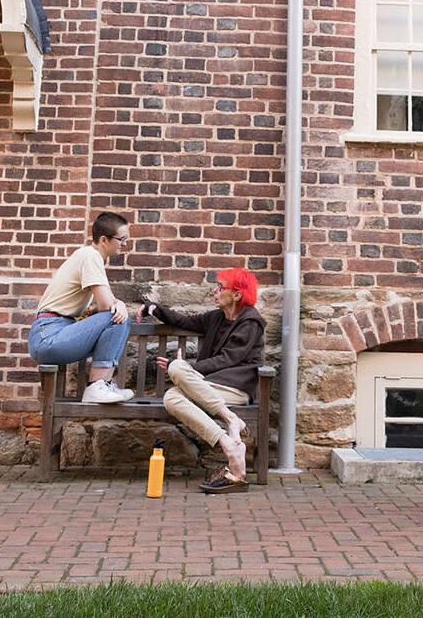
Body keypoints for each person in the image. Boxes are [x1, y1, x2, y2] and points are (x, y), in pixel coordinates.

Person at [139, 268, 265, 493]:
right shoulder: (216, 317)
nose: (214, 292)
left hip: (235, 389)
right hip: (209, 387)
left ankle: (230, 416)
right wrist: (153, 308)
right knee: (171, 398)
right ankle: (228, 442)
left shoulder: (250, 322)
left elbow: (228, 359)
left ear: (236, 294)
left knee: (177, 367)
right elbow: (184, 321)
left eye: (220, 287)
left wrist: (188, 368)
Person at [27, 211, 135, 404]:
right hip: (49, 336)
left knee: (116, 317)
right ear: (104, 239)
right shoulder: (90, 256)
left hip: (53, 332)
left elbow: (99, 308)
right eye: (122, 239)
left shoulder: (88, 256)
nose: (125, 245)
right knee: (118, 317)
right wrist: (119, 304)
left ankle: (103, 384)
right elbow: (107, 305)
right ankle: (98, 385)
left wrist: (113, 305)